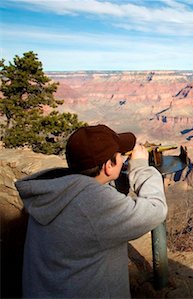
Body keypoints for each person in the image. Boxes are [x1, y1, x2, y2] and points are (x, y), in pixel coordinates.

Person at [15, 124, 167, 298]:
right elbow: (155, 209)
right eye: (121, 156)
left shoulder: (53, 191)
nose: (125, 159)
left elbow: (94, 195)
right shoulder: (92, 205)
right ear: (109, 166)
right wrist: (140, 167)